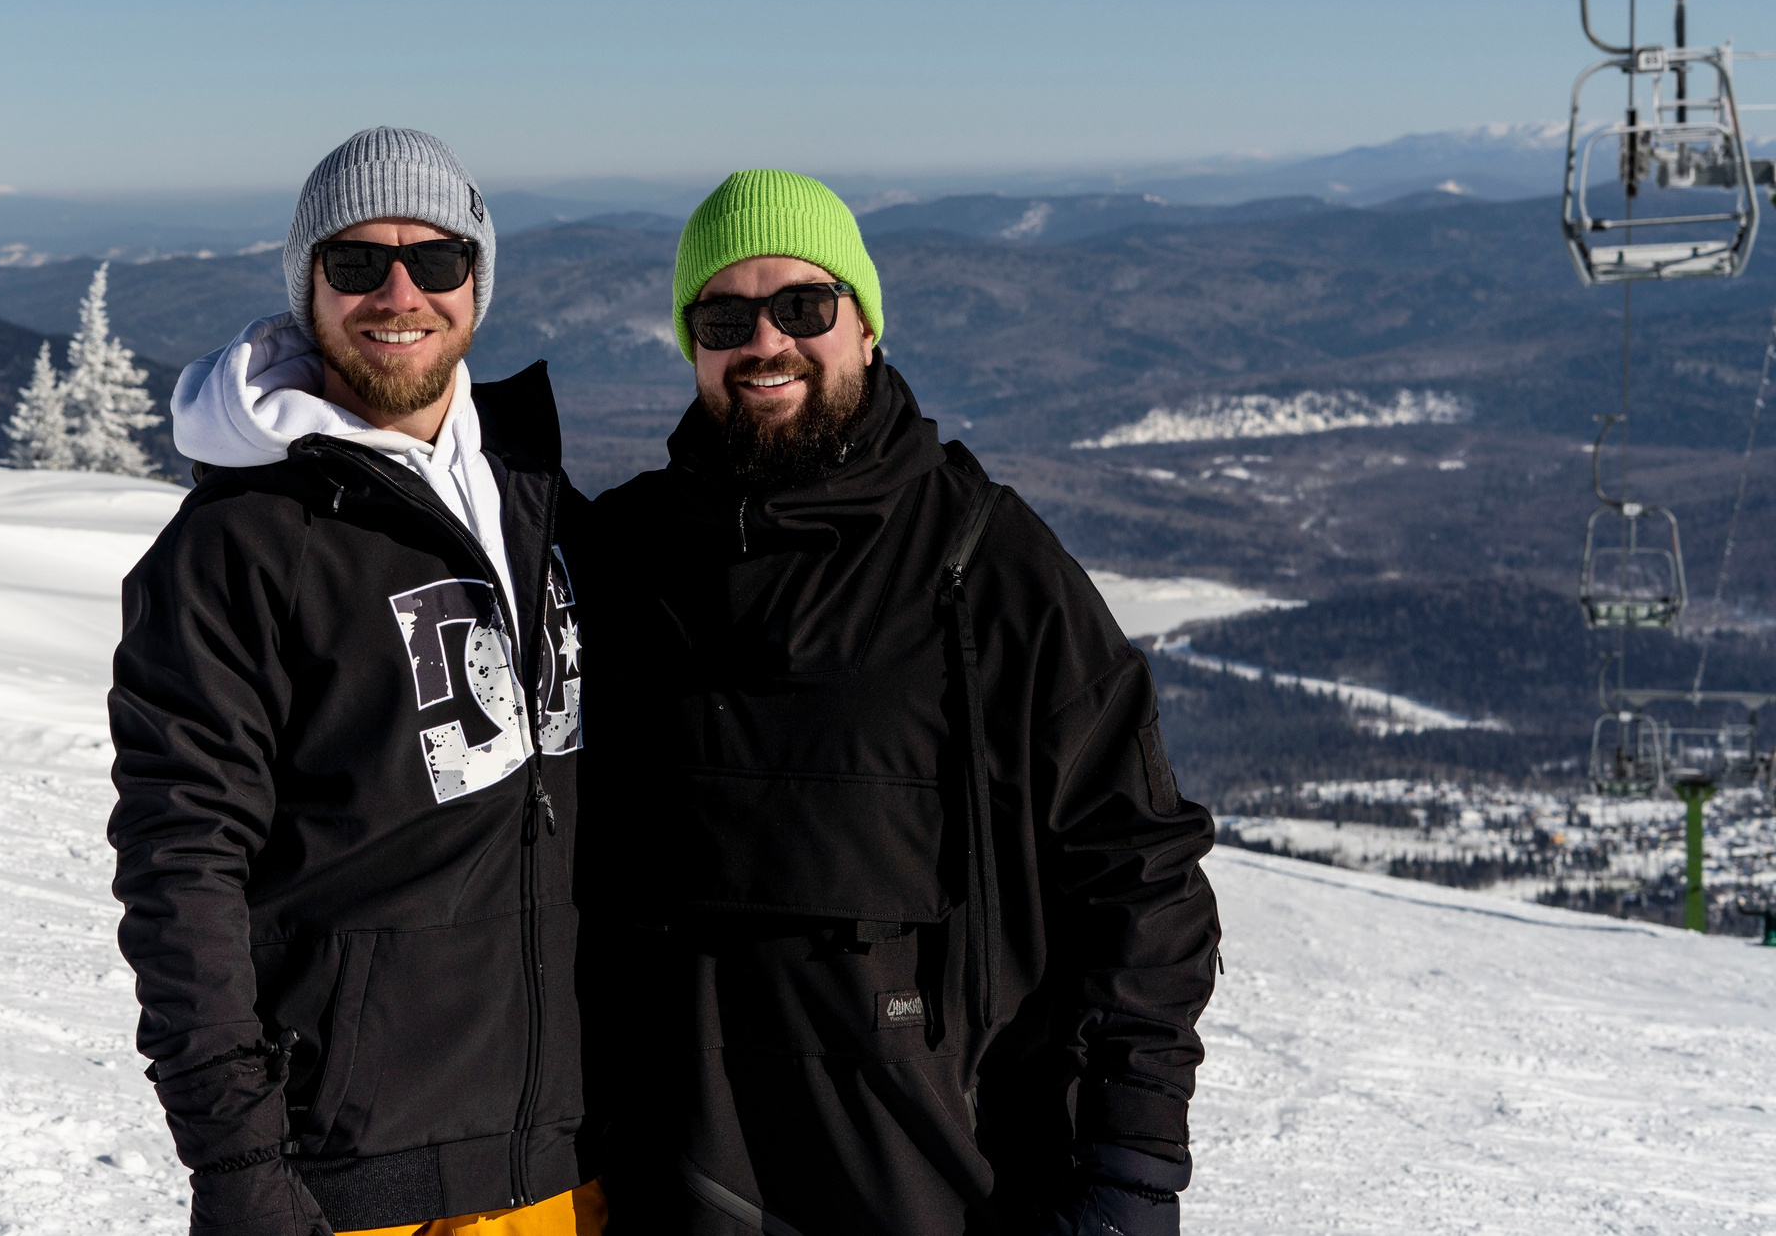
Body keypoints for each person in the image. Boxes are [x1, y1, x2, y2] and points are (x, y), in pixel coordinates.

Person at [584, 170, 1218, 1236]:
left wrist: (1132, 1161)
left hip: (941, 1179)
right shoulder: (618, 559)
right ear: (691, 344)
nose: (765, 342)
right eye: (724, 316)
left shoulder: (985, 564)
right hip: (663, 1184)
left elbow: (1139, 869)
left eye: (803, 307)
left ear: (866, 326)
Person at [109, 127, 602, 1236]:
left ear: (476, 282)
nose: (399, 291)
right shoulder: (233, 550)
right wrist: (238, 1167)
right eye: (354, 262)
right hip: (366, 1182)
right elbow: (182, 874)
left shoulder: (537, 499)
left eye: (435, 260)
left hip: (571, 1160)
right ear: (306, 285)